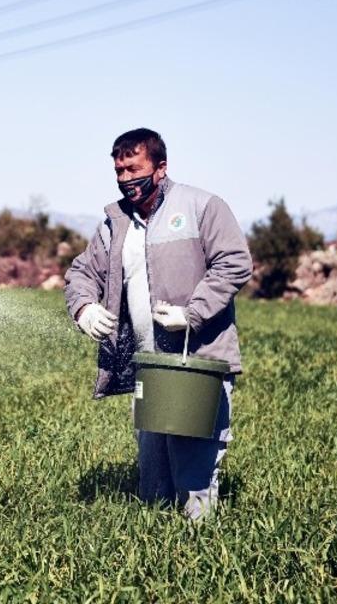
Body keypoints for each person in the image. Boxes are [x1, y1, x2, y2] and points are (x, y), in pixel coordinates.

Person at [63, 128, 253, 519]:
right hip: (149, 365)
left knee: (195, 476)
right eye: (119, 171)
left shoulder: (202, 206)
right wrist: (83, 307)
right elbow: (83, 272)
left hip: (196, 362)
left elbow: (235, 262)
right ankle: (156, 548)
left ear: (161, 167)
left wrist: (193, 312)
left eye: (134, 169)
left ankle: (199, 547)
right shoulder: (115, 222)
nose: (125, 179)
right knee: (153, 486)